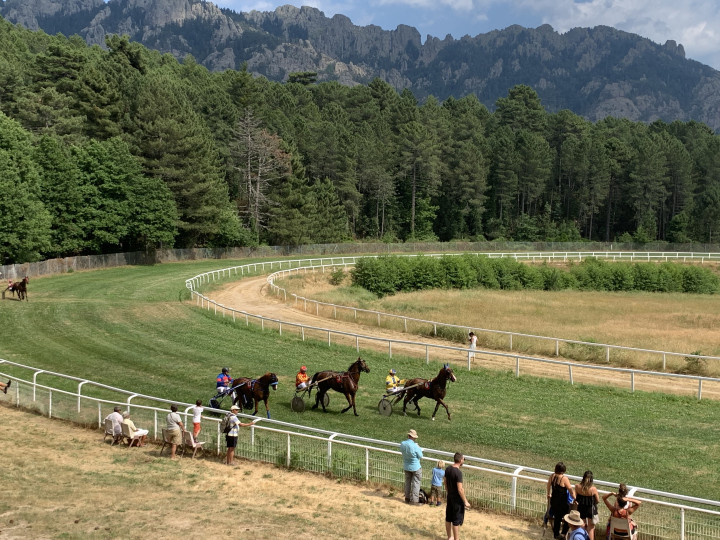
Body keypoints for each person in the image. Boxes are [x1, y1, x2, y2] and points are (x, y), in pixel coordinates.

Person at [444, 452, 471, 540]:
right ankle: (456, 538)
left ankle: (449, 537)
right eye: (463, 459)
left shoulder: (448, 469)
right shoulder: (458, 473)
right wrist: (465, 501)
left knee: (448, 518)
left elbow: (445, 482)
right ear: (460, 460)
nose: (463, 461)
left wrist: (448, 491)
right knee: (456, 520)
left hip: (450, 496)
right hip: (456, 500)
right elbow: (460, 489)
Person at [547, 462, 575, 540]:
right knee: (568, 516)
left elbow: (548, 485)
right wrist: (574, 498)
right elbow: (570, 489)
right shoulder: (564, 478)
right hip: (562, 502)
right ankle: (563, 533)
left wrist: (548, 494)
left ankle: (556, 534)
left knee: (557, 518)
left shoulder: (552, 476)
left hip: (554, 501)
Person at [400, 429, 423, 504]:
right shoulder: (415, 446)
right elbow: (420, 455)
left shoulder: (403, 444)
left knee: (407, 483)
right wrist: (419, 448)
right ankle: (415, 501)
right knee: (416, 484)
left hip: (406, 466)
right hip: (416, 467)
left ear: (408, 436)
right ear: (413, 437)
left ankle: (407, 498)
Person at [575, 470, 600, 539]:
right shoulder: (593, 489)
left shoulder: (577, 487)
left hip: (580, 508)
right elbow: (598, 500)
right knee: (591, 528)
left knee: (582, 526)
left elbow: (575, 498)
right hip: (590, 509)